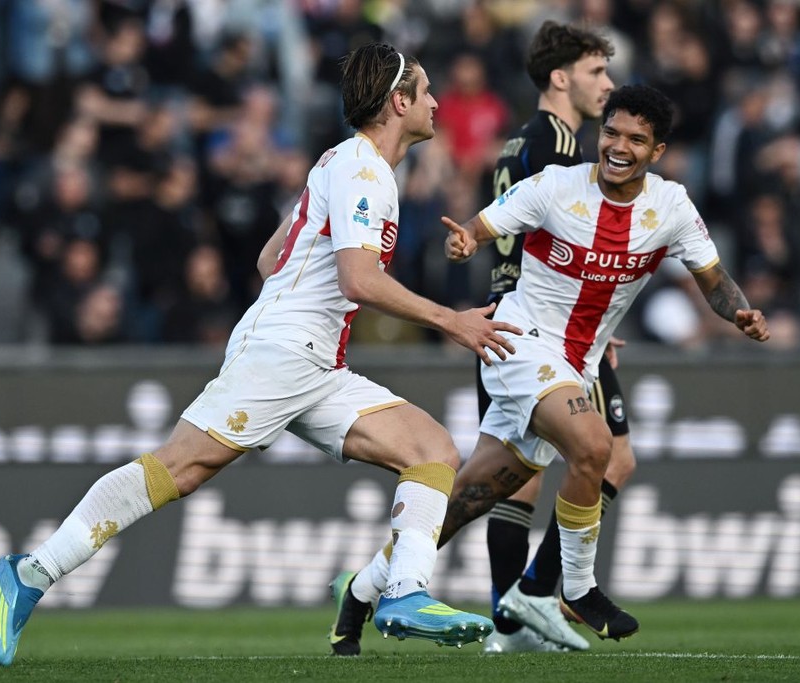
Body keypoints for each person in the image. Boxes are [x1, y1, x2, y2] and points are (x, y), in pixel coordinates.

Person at [0, 42, 521, 667]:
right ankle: (32, 572)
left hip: (316, 362)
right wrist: (450, 319)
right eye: (425, 91)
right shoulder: (365, 172)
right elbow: (357, 280)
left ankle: (401, 592)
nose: (435, 103)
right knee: (180, 467)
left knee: (432, 450)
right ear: (398, 102)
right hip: (285, 352)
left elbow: (272, 260)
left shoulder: (341, 162)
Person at [330, 84, 769, 656]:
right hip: (520, 345)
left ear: (657, 151)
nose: (618, 147)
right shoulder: (556, 187)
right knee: (596, 446)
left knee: (467, 499)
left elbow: (714, 281)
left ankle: (361, 591)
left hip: (576, 365)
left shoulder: (672, 208)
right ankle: (575, 589)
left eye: (636, 140)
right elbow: (480, 228)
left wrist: (739, 312)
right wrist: (465, 242)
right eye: (611, 133)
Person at [476, 21, 636, 655]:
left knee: (515, 476)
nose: (609, 84)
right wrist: (592, 316)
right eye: (597, 71)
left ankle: (508, 626)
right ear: (560, 78)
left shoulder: (519, 141)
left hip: (504, 317)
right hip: (549, 326)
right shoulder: (563, 147)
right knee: (613, 458)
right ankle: (537, 594)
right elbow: (571, 241)